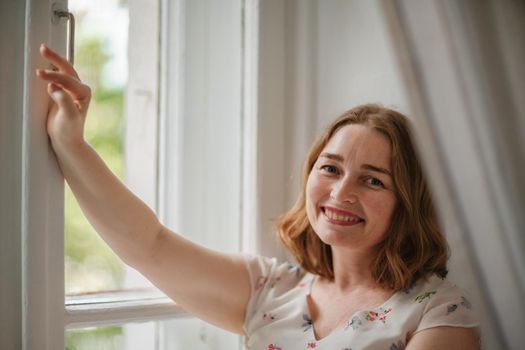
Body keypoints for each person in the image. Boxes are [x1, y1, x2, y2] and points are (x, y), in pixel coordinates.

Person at [36, 44, 479, 349]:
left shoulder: (439, 312)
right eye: (330, 168)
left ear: (408, 201)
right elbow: (147, 244)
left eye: (373, 180)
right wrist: (71, 144)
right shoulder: (271, 289)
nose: (341, 192)